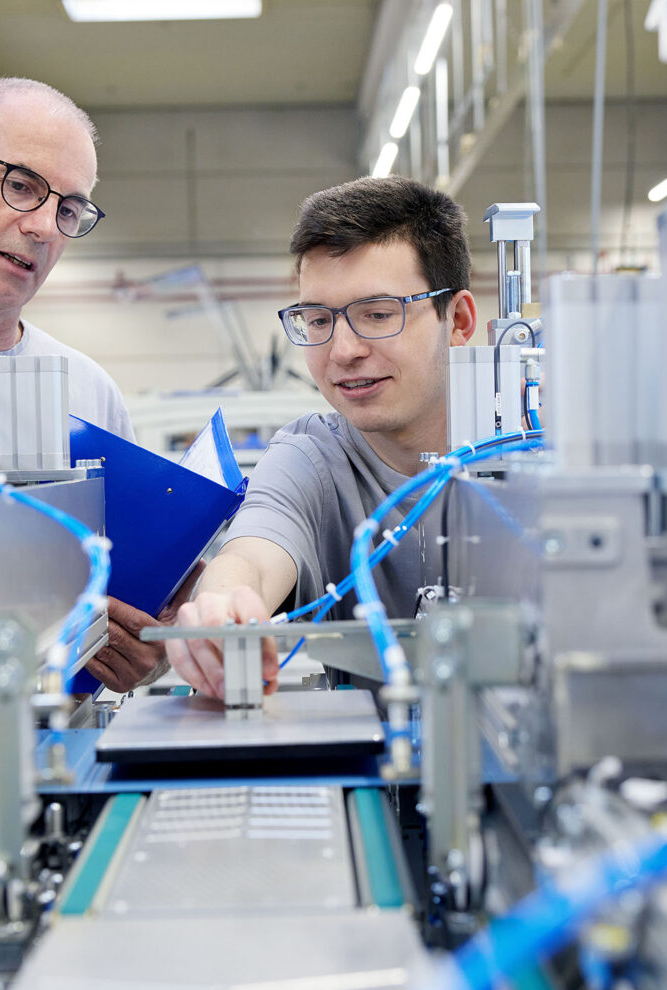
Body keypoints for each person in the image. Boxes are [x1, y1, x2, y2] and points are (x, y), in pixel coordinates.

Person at [0, 77, 170, 691]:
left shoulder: (87, 390)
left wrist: (152, 649)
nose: (46, 226)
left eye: (69, 209)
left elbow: (132, 603)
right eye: (21, 186)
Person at [166, 176, 477, 698]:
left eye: (378, 314)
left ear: (459, 320)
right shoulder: (312, 457)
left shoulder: (535, 454)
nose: (343, 350)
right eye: (317, 320)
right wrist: (223, 607)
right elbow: (252, 555)